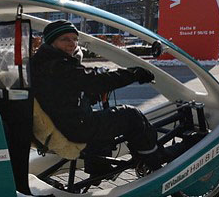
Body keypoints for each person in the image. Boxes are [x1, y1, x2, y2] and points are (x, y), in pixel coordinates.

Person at [31, 20, 164, 172]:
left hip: (63, 122)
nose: (72, 44)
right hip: (74, 127)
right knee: (131, 115)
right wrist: (134, 74)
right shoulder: (57, 65)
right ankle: (154, 162)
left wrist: (88, 94)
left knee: (104, 116)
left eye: (75, 39)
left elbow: (66, 90)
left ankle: (99, 169)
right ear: (51, 42)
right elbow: (94, 80)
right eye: (65, 39)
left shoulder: (44, 61)